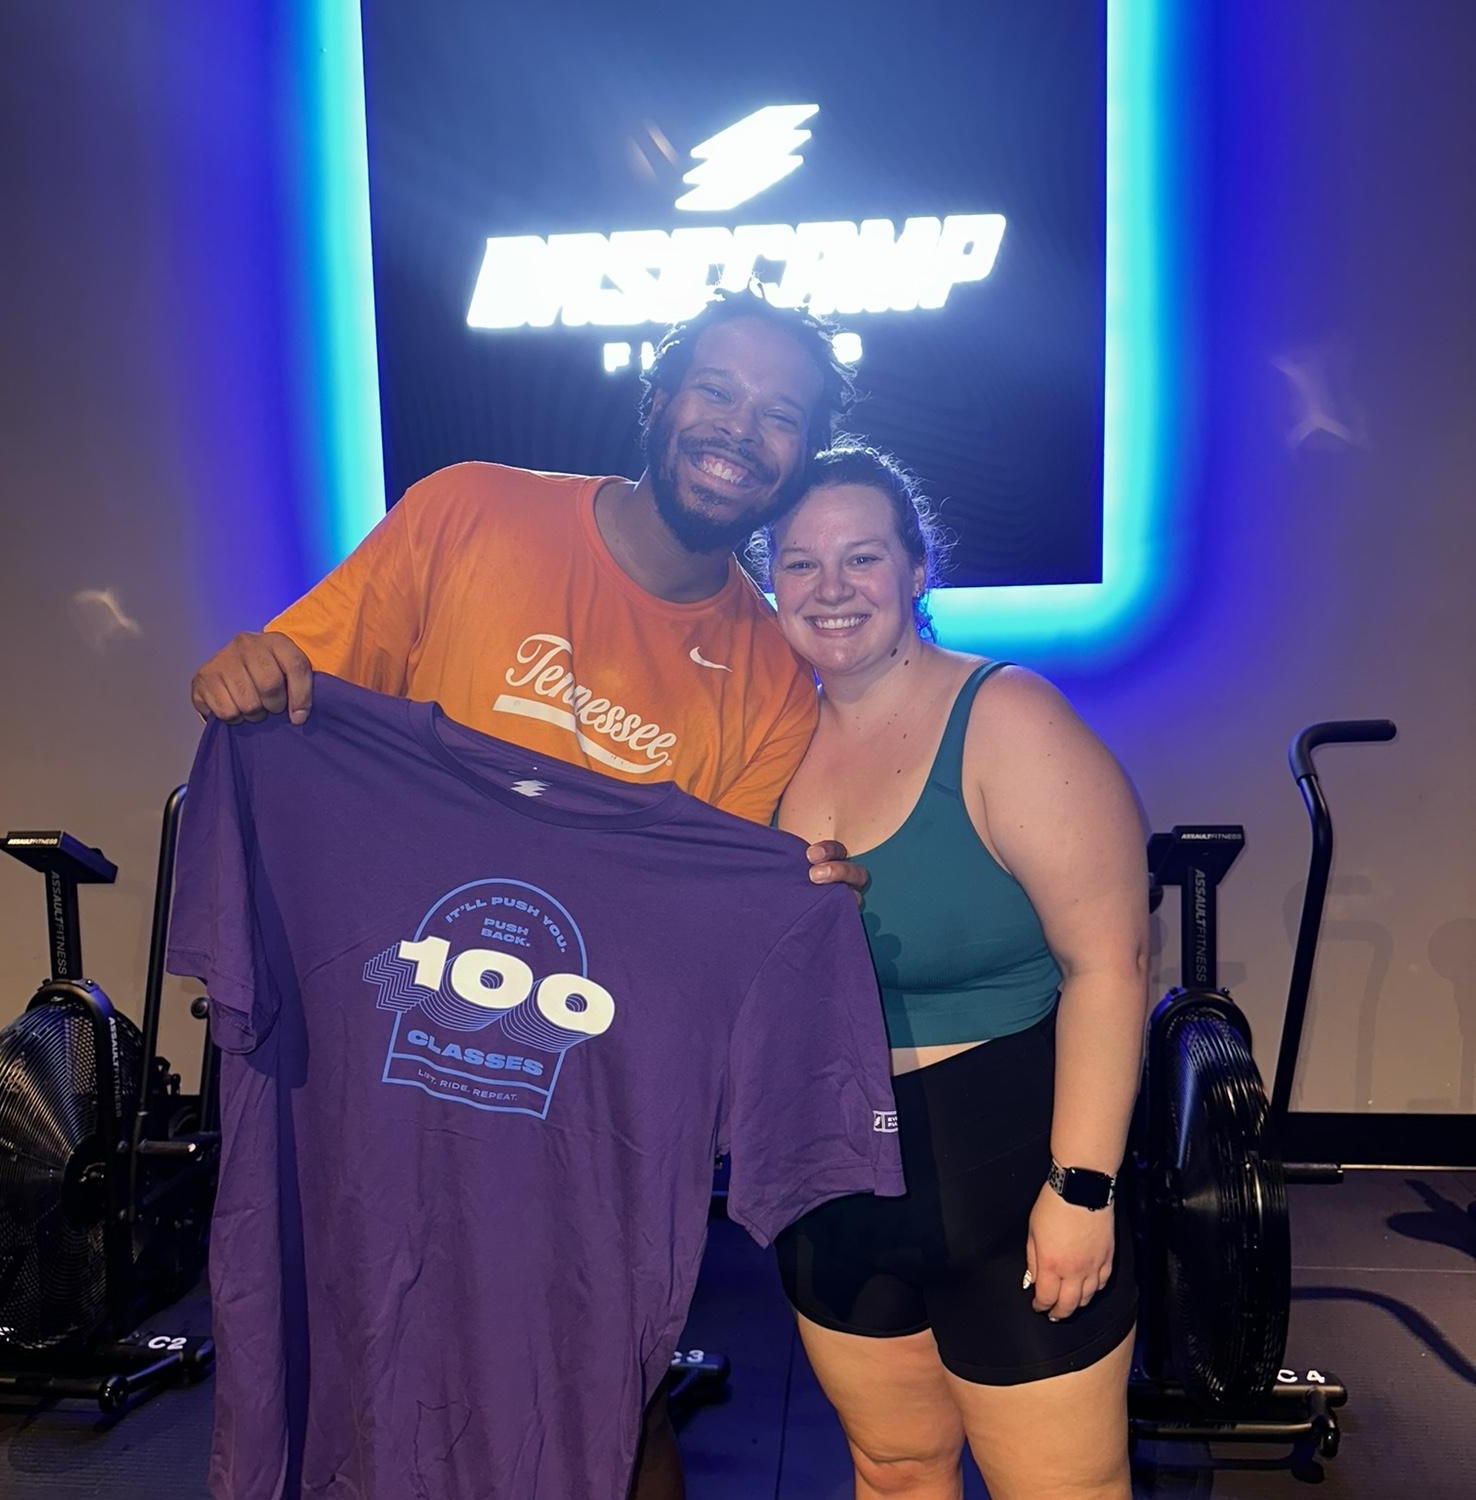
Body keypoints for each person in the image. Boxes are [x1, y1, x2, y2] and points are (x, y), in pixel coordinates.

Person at [187, 287, 867, 1500]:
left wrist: (801, 891)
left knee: (611, 1386)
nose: (739, 428)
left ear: (802, 453)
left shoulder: (772, 674)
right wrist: (255, 673)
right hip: (386, 1057)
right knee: (364, 1340)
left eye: (780, 416)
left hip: (578, 1098)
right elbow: (300, 702)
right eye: (717, 390)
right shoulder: (468, 514)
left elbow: (705, 917)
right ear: (657, 398)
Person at [761, 442, 1148, 1500]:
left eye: (862, 557)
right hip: (830, 1168)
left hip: (1004, 1166)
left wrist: (1082, 1189)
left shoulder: (1007, 717)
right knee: (893, 1472)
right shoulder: (763, 739)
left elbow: (1110, 964)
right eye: (800, 562)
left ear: (917, 569)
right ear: (770, 582)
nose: (831, 588)